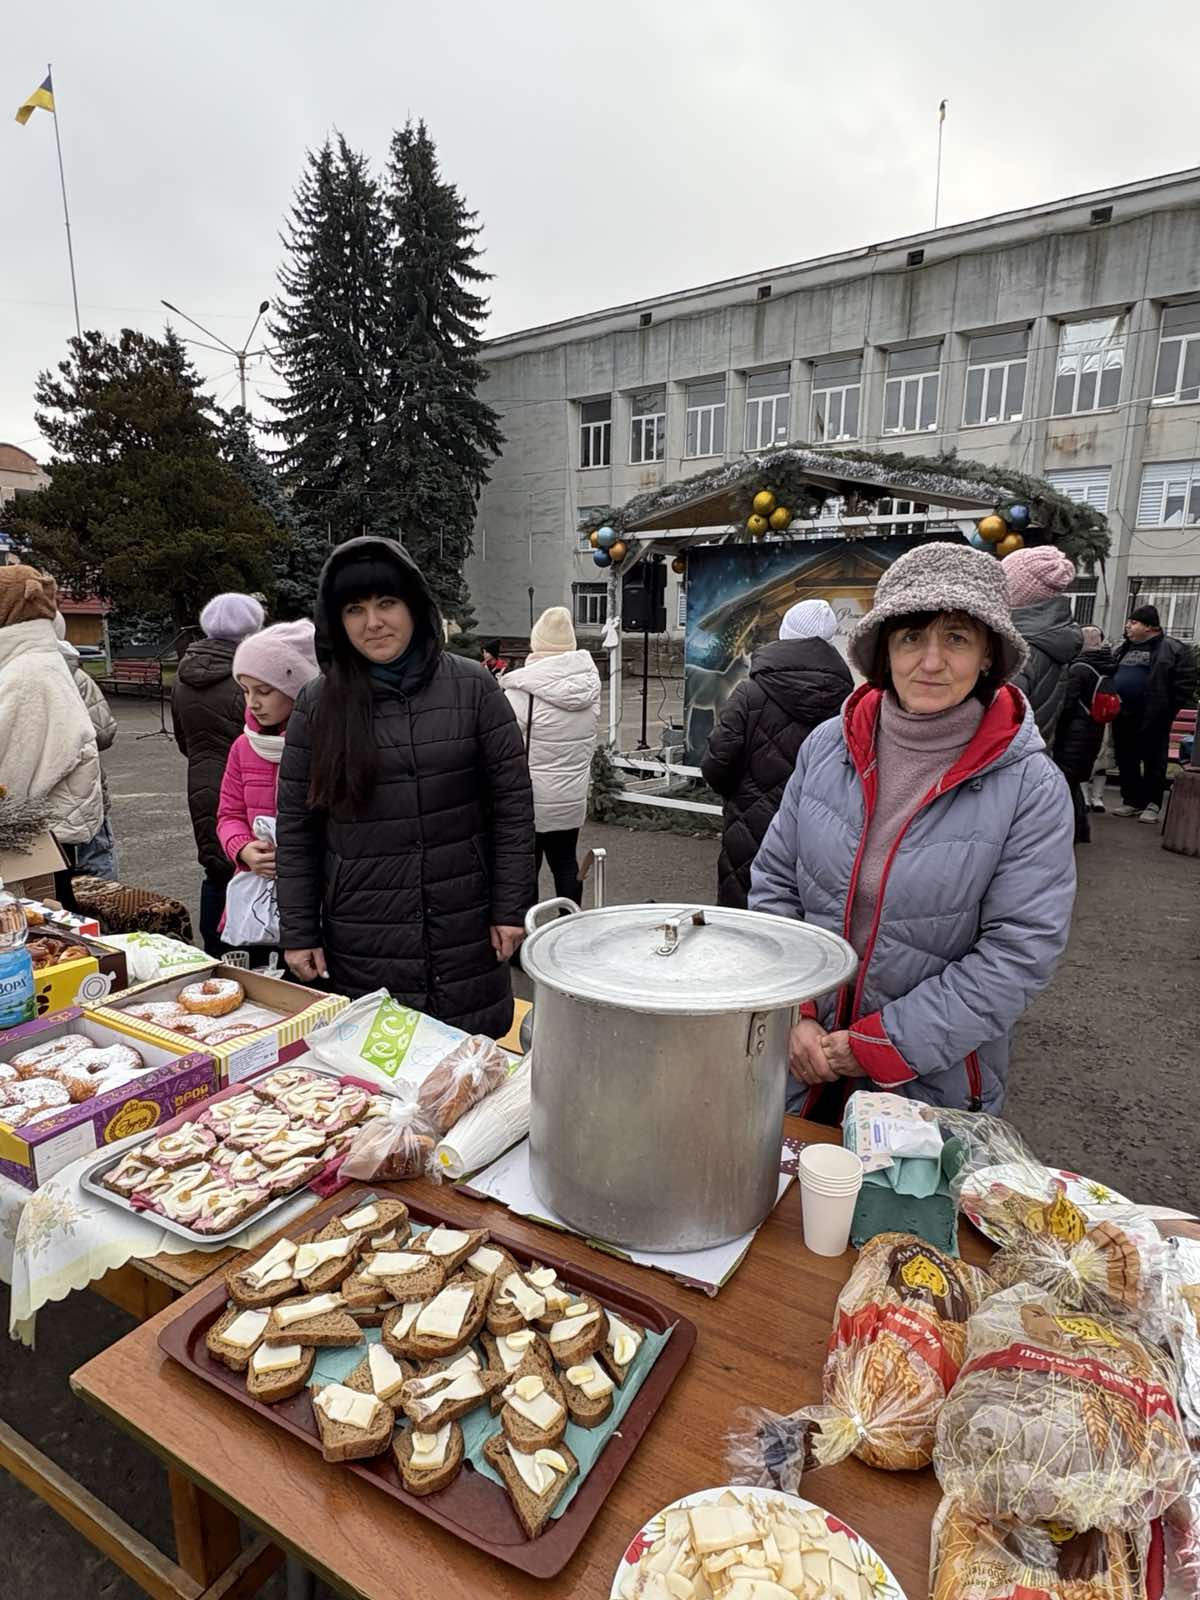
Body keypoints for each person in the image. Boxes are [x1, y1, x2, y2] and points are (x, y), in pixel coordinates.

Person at [750, 542, 1076, 1117]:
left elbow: (1018, 952)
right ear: (883, 652)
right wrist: (793, 1010)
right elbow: (776, 884)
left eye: (956, 638)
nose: (931, 662)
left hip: (926, 1083)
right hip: (798, 1063)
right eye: (911, 637)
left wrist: (877, 1045)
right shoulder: (829, 746)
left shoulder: (1030, 786)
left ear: (987, 656)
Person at [275, 536, 536, 1038]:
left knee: (469, 1076)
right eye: (355, 609)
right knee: (377, 1084)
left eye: (386, 603)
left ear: (414, 606)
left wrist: (510, 907)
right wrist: (300, 929)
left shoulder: (474, 687)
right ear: (337, 621)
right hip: (365, 933)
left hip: (464, 923)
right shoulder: (318, 704)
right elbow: (299, 825)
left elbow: (512, 809)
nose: (373, 622)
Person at [701, 599, 852, 908]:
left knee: (742, 920)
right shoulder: (848, 698)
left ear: (785, 633)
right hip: (817, 829)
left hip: (750, 824)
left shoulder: (749, 692)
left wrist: (742, 798)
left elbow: (717, 764)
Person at [171, 592, 265, 954]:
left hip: (201, 780)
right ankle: (251, 947)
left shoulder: (183, 676)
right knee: (250, 868)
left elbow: (183, 739)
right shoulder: (251, 678)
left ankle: (214, 947)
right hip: (246, 787)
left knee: (214, 868)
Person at [216, 620, 320, 942]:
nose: (252, 703)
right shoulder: (244, 747)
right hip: (256, 894)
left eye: (264, 691)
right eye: (245, 691)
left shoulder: (322, 745)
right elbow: (228, 815)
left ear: (297, 688)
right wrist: (243, 848)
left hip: (314, 893)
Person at [0, 568, 103, 877]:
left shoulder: (27, 675)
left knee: (38, 920)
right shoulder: (30, 663)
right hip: (38, 834)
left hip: (35, 843)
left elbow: (11, 773)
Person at [501, 606, 601, 907]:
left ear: (536, 642)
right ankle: (568, 928)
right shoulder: (590, 688)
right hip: (571, 794)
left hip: (530, 799)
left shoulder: (521, 691)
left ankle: (525, 942)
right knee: (566, 862)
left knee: (526, 870)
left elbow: (502, 750)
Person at [1110, 604, 1199, 823]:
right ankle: (1131, 800)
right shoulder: (1124, 648)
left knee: (1153, 760)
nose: (1128, 626)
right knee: (1126, 758)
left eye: (1134, 622)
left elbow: (1185, 682)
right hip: (1123, 713)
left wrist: (1167, 709)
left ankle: (1152, 803)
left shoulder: (1172, 648)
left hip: (1153, 715)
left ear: (1150, 627)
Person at [53, 612, 119, 878]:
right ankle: (101, 917)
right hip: (84, 789)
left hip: (35, 798)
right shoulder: (76, 677)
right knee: (97, 860)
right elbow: (104, 732)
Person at [1002, 544, 1082, 741]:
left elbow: (998, 721)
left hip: (1001, 761)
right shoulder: (1047, 638)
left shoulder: (1019, 649)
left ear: (1014, 593)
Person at [1051, 624, 1119, 845]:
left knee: (1066, 782)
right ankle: (1081, 830)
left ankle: (1070, 832)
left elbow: (1067, 704)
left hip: (1073, 734)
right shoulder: (1104, 666)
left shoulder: (1079, 669)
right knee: (1074, 782)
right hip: (1092, 731)